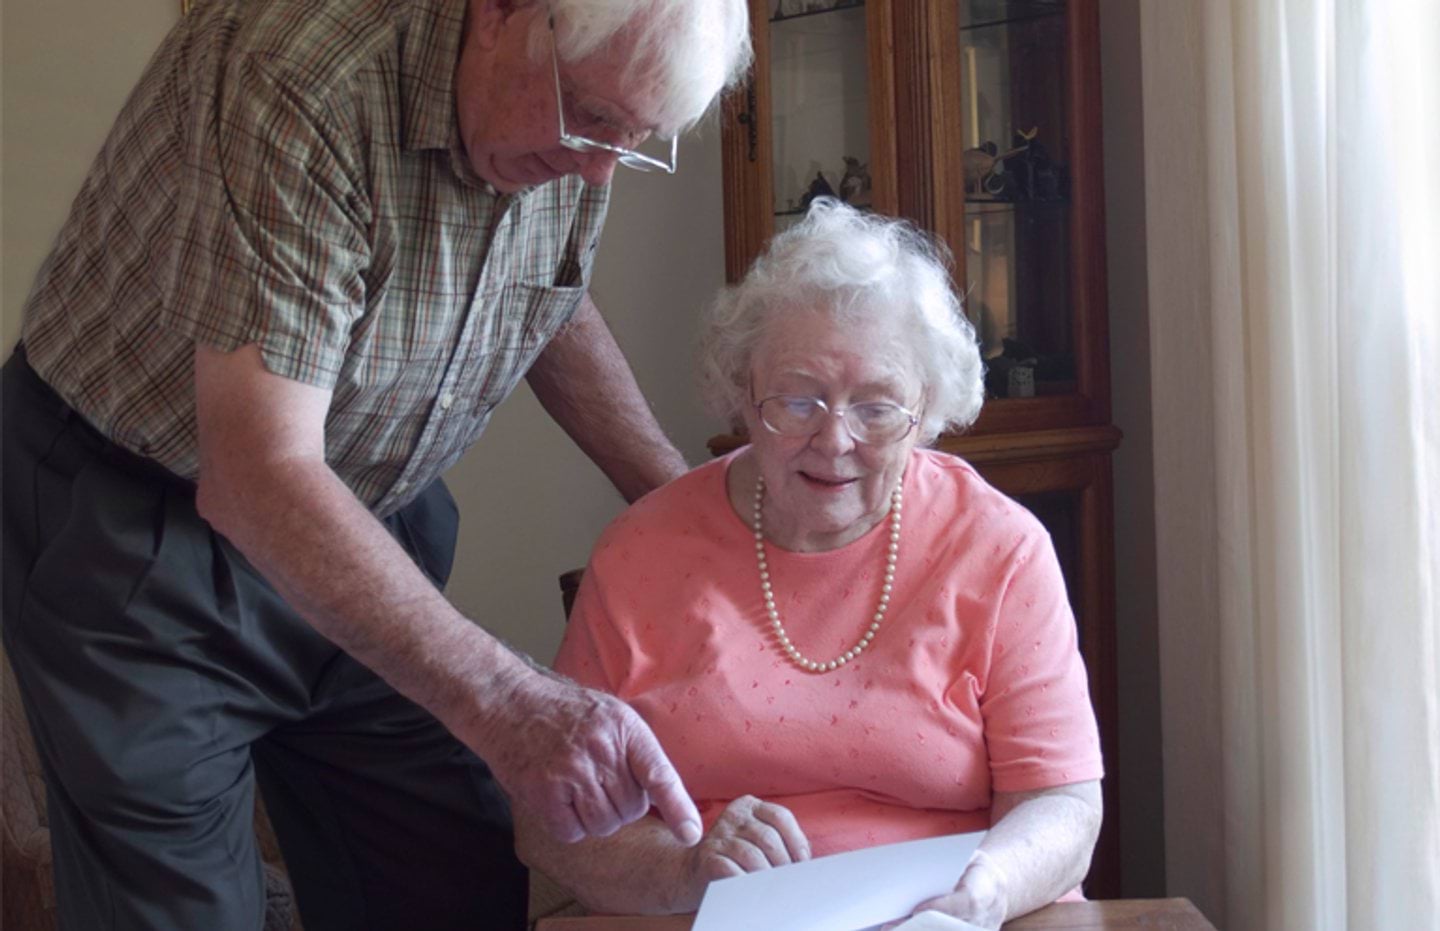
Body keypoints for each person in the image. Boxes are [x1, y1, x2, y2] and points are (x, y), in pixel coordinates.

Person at [0, 0, 749, 928]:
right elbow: (260, 474)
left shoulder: (564, 107)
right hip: (138, 523)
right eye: (591, 120)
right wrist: (513, 703)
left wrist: (689, 509)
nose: (598, 168)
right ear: (501, 13)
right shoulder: (301, 72)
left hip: (363, 514)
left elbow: (547, 295)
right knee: (178, 913)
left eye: (633, 142)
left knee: (448, 882)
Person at [523, 199, 1105, 929]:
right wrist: (687, 871)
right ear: (742, 392)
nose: (834, 440)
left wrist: (986, 888)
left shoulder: (999, 548)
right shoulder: (641, 550)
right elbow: (553, 823)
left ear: (926, 409)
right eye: (797, 401)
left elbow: (1063, 802)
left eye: (876, 407)